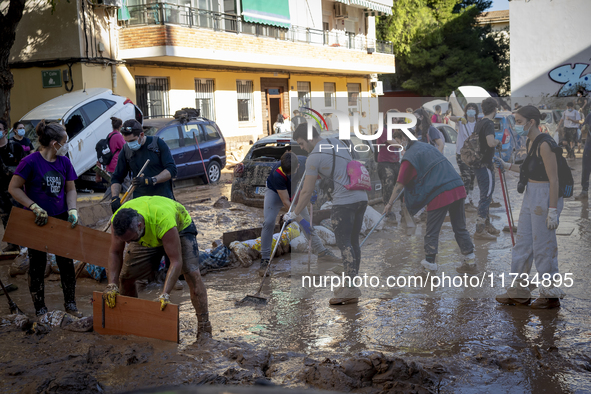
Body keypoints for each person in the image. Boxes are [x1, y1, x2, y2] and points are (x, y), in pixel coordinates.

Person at [103, 196, 211, 338]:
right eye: (125, 240)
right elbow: (115, 252)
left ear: (140, 226)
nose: (128, 243)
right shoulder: (118, 221)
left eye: (131, 239)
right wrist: (112, 285)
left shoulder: (163, 221)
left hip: (179, 228)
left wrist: (165, 294)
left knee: (192, 274)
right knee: (125, 278)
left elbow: (176, 261)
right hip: (147, 234)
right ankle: (133, 321)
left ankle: (204, 327)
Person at [8, 120, 81, 317]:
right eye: (64, 141)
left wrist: (72, 209)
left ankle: (71, 304)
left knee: (66, 263)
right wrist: (32, 206)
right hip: (37, 221)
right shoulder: (30, 162)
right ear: (53, 143)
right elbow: (13, 188)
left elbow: (71, 189)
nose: (66, 145)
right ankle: (40, 308)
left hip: (60, 218)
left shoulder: (64, 162)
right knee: (37, 264)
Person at [494, 106, 564, 309]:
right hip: (531, 193)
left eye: (518, 121)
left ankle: (550, 295)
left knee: (543, 244)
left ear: (531, 122)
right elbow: (527, 170)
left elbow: (554, 179)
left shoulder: (545, 144)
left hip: (545, 195)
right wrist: (505, 164)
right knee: (523, 242)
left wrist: (552, 210)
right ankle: (519, 291)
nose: (516, 125)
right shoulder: (530, 141)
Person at [291, 123, 368, 306]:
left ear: (309, 138)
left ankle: (350, 288)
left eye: (301, 144)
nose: (302, 148)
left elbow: (306, 191)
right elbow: (344, 167)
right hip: (361, 197)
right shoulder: (335, 141)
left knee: (344, 243)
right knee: (354, 242)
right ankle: (350, 284)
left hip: (344, 202)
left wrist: (293, 213)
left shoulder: (313, 157)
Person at [383, 129, 475, 273]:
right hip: (457, 187)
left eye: (398, 141)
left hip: (440, 192)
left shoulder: (410, 156)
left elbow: (399, 184)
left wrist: (389, 204)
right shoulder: (427, 146)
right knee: (460, 227)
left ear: (404, 138)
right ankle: (471, 262)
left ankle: (429, 268)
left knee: (432, 231)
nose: (398, 145)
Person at [259, 151, 339, 276]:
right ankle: (264, 260)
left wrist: (312, 191)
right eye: (287, 173)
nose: (290, 175)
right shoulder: (278, 174)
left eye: (292, 172)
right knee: (268, 222)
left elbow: (313, 178)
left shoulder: (306, 163)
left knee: (307, 222)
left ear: (297, 166)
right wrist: (299, 219)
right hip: (275, 192)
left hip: (295, 191)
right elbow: (286, 202)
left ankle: (321, 252)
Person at [110, 119, 177, 213]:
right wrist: (115, 198)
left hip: (163, 200)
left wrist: (151, 180)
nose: (129, 144)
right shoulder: (126, 150)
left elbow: (171, 170)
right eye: (126, 141)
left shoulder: (157, 144)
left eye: (132, 140)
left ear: (141, 135)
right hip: (140, 203)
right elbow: (117, 177)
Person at [472, 97, 502, 240]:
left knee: (486, 195)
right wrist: (498, 141)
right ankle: (480, 229)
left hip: (478, 165)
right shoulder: (489, 123)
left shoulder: (479, 123)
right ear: (495, 110)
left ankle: (487, 225)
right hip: (485, 165)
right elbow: (490, 143)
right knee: (486, 197)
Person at [0, 119, 25, 252]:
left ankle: (22, 243)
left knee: (18, 215)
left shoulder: (15, 147)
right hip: (1, 191)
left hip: (15, 189)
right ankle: (12, 243)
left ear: (5, 131)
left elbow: (24, 167)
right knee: (5, 216)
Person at [451, 103, 479, 209]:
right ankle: (464, 200)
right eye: (469, 109)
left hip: (473, 154)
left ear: (476, 111)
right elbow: (450, 117)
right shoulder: (462, 122)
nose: (471, 110)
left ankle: (470, 197)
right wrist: (460, 118)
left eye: (473, 109)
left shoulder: (477, 124)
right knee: (466, 176)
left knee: (472, 176)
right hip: (461, 153)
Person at [376, 112, 401, 223]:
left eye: (396, 118)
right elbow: (395, 144)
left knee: (402, 188)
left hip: (395, 163)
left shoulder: (394, 131)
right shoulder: (383, 130)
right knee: (388, 189)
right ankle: (387, 214)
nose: (395, 120)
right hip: (385, 163)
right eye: (393, 118)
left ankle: (404, 212)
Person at [574, 109, 591, 200]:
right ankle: (584, 191)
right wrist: (584, 128)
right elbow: (584, 130)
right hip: (589, 148)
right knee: (585, 169)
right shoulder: (589, 116)